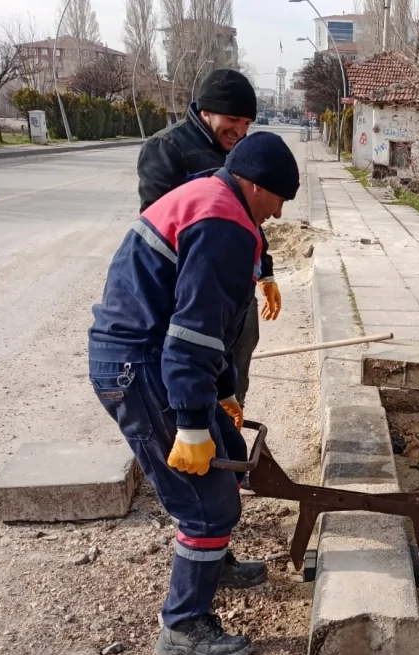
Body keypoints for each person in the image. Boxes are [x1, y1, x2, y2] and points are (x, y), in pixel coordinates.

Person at [89, 133, 300, 655]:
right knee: (208, 504)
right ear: (256, 186)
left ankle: (212, 564)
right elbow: (193, 335)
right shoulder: (224, 224)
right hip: (140, 364)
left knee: (227, 456)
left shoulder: (215, 196)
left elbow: (210, 326)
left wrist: (222, 392)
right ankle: (184, 625)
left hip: (152, 355)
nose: (278, 214)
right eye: (279, 200)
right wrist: (189, 423)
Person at [137, 67, 283, 406]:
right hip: (192, 288)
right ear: (206, 111)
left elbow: (251, 215)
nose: (240, 131)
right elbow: (160, 225)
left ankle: (230, 420)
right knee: (193, 366)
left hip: (235, 282)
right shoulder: (167, 148)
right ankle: (190, 427)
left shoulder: (239, 151)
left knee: (236, 361)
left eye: (246, 123)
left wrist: (265, 270)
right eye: (232, 120)